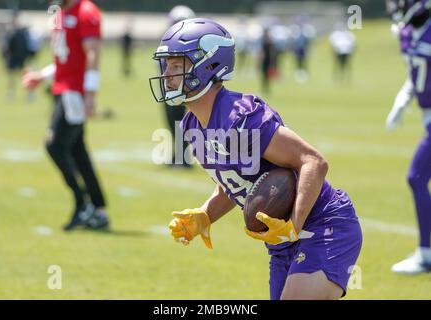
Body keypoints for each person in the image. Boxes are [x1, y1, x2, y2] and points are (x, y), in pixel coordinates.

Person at [149, 18, 363, 300]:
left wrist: (294, 225)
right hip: (280, 243)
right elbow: (237, 180)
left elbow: (313, 161)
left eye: (177, 65)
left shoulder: (241, 116)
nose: (167, 74)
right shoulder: (192, 125)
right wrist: (205, 215)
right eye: (166, 66)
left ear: (208, 65)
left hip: (324, 225)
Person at [22, 0, 109, 231]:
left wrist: (90, 92)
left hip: (74, 93)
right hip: (64, 89)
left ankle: (83, 204)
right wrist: (41, 76)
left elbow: (93, 54)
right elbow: (65, 59)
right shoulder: (61, 12)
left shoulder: (86, 11)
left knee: (55, 145)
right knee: (77, 150)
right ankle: (98, 209)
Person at [385, 0, 431, 274]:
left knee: (415, 177)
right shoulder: (406, 34)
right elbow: (416, 74)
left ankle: (425, 254)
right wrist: (401, 101)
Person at [162, 5, 195, 168]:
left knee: (180, 123)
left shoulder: (188, 44)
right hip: (169, 87)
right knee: (172, 123)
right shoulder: (169, 41)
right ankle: (177, 156)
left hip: (181, 88)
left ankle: (183, 159)